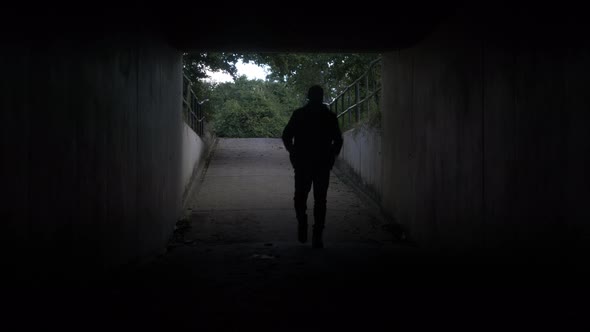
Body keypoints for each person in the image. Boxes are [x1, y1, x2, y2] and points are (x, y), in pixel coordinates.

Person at [282, 85, 343, 248]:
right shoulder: (330, 116)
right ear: (322, 97)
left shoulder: (299, 114)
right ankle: (317, 236)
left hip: (302, 164)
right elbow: (338, 140)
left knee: (300, 198)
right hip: (322, 164)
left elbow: (286, 136)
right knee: (320, 200)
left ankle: (302, 223)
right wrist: (331, 158)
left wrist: (293, 153)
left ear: (308, 97)